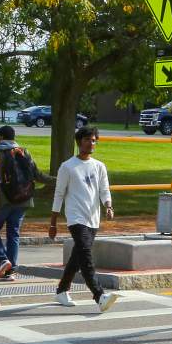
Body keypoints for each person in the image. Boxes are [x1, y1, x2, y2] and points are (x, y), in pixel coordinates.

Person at [49, 126, 119, 313]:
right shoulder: (67, 166)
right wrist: (53, 222)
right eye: (88, 139)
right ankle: (99, 295)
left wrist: (108, 205)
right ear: (79, 142)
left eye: (94, 140)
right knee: (86, 255)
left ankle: (62, 290)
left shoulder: (99, 166)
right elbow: (59, 194)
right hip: (75, 217)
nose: (91, 143)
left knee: (77, 257)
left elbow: (104, 189)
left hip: (93, 217)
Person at [0, 125, 39, 281]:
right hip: (23, 200)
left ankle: (3, 259)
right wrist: (58, 181)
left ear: (1, 137)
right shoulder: (24, 151)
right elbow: (36, 173)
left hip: (3, 200)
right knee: (13, 234)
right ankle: (11, 271)